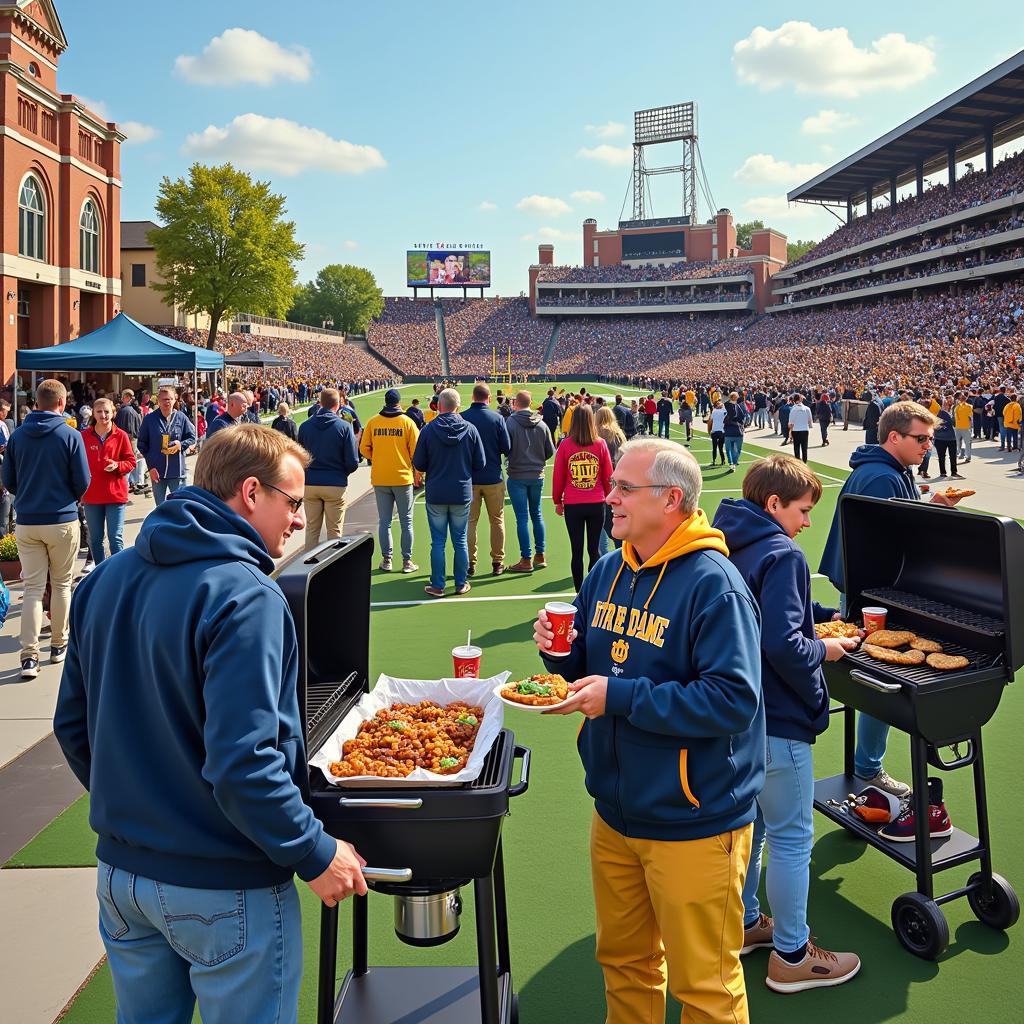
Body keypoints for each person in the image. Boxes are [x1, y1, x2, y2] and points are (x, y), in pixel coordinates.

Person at [54, 424, 367, 1024]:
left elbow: (73, 726)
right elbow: (244, 763)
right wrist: (313, 850)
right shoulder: (246, 595)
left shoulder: (104, 579)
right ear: (252, 493)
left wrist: (144, 808)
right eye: (293, 503)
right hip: (226, 886)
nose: (300, 521)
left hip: (123, 880)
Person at [534, 437, 763, 1024]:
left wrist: (621, 697)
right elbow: (593, 663)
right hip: (615, 809)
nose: (608, 497)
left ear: (672, 500)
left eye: (623, 489)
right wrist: (560, 659)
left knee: (706, 987)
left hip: (694, 817)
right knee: (625, 963)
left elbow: (733, 700)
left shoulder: (715, 583)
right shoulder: (608, 569)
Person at [713, 457, 861, 993]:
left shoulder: (724, 540)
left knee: (748, 832)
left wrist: (820, 616)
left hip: (733, 719)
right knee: (793, 839)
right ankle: (794, 956)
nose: (807, 522)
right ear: (773, 504)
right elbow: (784, 642)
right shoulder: (782, 552)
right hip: (777, 721)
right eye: (802, 510)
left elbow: (773, 613)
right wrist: (829, 647)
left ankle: (748, 923)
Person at [819, 401, 966, 797]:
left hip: (867, 586)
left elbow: (894, 529)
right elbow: (896, 546)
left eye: (931, 439)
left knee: (872, 679)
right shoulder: (882, 478)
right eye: (921, 439)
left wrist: (930, 507)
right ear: (894, 437)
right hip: (874, 591)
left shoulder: (885, 471)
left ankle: (867, 765)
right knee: (878, 681)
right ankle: (868, 767)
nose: (928, 447)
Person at [2, 379, 90, 679]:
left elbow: (9, 479)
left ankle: (29, 655)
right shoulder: (70, 435)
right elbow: (83, 481)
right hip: (62, 518)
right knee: (62, 584)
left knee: (32, 589)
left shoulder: (17, 436)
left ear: (37, 403)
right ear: (62, 404)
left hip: (28, 520)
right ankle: (58, 643)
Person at [412, 388, 485, 598]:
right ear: (458, 406)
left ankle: (438, 585)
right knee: (459, 540)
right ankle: (461, 583)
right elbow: (480, 463)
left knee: (438, 541)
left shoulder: (428, 429)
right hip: (461, 491)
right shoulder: (470, 430)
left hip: (436, 492)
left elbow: (419, 463)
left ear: (439, 406)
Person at [552, 404, 613, 592]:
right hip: (596, 503)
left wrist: (557, 500)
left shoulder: (565, 445)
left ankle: (579, 593)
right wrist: (609, 497)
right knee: (593, 550)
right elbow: (608, 475)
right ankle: (593, 592)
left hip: (573, 504)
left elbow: (559, 475)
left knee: (576, 552)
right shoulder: (600, 444)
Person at [360, 388, 419, 574]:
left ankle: (387, 560)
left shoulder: (373, 422)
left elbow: (363, 449)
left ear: (385, 402)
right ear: (399, 403)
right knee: (406, 522)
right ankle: (407, 561)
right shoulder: (407, 422)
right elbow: (416, 452)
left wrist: (377, 458)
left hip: (381, 477)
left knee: (384, 521)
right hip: (402, 477)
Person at [297, 388, 359, 551]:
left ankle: (308, 565)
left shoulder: (305, 427)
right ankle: (334, 568)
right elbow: (353, 461)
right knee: (334, 532)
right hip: (335, 483)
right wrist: (341, 473)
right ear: (338, 404)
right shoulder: (344, 427)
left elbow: (299, 457)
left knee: (312, 529)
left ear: (320, 403)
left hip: (310, 483)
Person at [461, 384, 511, 577]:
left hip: (469, 478)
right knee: (497, 520)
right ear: (489, 398)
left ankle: (469, 563)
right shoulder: (497, 418)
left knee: (470, 521)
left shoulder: (463, 417)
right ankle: (497, 561)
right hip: (492, 475)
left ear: (473, 397)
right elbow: (507, 447)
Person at [81, 399, 136, 566]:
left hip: (115, 494)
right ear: (93, 414)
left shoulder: (121, 436)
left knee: (115, 538)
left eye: (106, 412)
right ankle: (100, 572)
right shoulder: (84, 436)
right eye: (99, 412)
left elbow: (131, 462)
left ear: (113, 413)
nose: (103, 415)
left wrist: (118, 466)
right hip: (92, 495)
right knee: (95, 540)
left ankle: (117, 574)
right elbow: (76, 463)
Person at [505, 390, 554, 573]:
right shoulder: (541, 423)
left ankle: (526, 559)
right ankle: (540, 555)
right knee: (537, 514)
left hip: (517, 475)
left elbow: (505, 447)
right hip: (536, 475)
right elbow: (550, 450)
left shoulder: (510, 422)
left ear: (516, 403)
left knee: (522, 519)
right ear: (531, 402)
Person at [137, 386, 197, 505]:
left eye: (169, 399)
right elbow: (142, 444)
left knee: (179, 506)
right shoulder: (150, 419)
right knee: (160, 508)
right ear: (158, 400)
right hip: (157, 472)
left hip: (177, 472)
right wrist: (150, 468)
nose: (167, 402)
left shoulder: (181, 417)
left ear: (175, 400)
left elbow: (192, 437)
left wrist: (181, 445)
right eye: (164, 399)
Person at [594, 405, 626, 554]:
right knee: (618, 517)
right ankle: (622, 552)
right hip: (617, 480)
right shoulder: (618, 434)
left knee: (601, 523)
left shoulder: (596, 434)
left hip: (601, 482)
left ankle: (602, 556)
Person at [114, 389, 145, 495]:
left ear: (126, 398)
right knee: (132, 463)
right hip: (133, 440)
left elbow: (127, 431)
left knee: (126, 465)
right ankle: (133, 483)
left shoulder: (125, 411)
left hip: (128, 441)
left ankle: (126, 486)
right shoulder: (134, 411)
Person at [933, 397, 963, 480]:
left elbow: (955, 423)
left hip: (952, 438)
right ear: (943, 404)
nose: (949, 404)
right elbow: (936, 426)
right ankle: (943, 473)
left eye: (951, 402)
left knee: (953, 456)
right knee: (942, 456)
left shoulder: (952, 412)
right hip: (941, 439)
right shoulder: (940, 413)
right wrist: (945, 427)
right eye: (947, 403)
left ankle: (954, 472)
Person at [723, 391, 745, 473]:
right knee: (737, 449)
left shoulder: (725, 406)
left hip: (728, 430)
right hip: (737, 430)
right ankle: (734, 462)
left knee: (729, 449)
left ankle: (731, 463)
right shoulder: (737, 406)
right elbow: (742, 417)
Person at [788, 395, 812, 463]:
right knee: (804, 448)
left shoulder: (793, 409)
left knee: (796, 448)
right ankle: (804, 463)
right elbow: (810, 420)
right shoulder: (807, 409)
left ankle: (798, 464)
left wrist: (790, 433)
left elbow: (790, 423)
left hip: (796, 430)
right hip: (804, 430)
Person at [708, 398, 726, 467]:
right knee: (721, 448)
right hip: (722, 431)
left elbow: (710, 421)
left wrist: (709, 431)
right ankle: (723, 460)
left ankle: (714, 461)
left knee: (714, 447)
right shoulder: (724, 411)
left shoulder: (714, 411)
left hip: (714, 431)